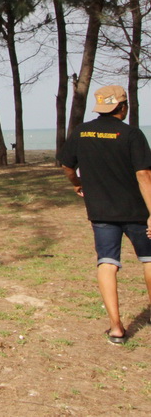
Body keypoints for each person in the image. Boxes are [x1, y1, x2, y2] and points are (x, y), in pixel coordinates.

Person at [60, 84, 151, 344]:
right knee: (149, 259)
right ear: (123, 107)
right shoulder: (132, 134)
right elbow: (144, 174)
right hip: (136, 211)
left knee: (107, 263)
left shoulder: (81, 132)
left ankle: (116, 328)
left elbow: (67, 165)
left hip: (101, 211)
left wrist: (76, 183)